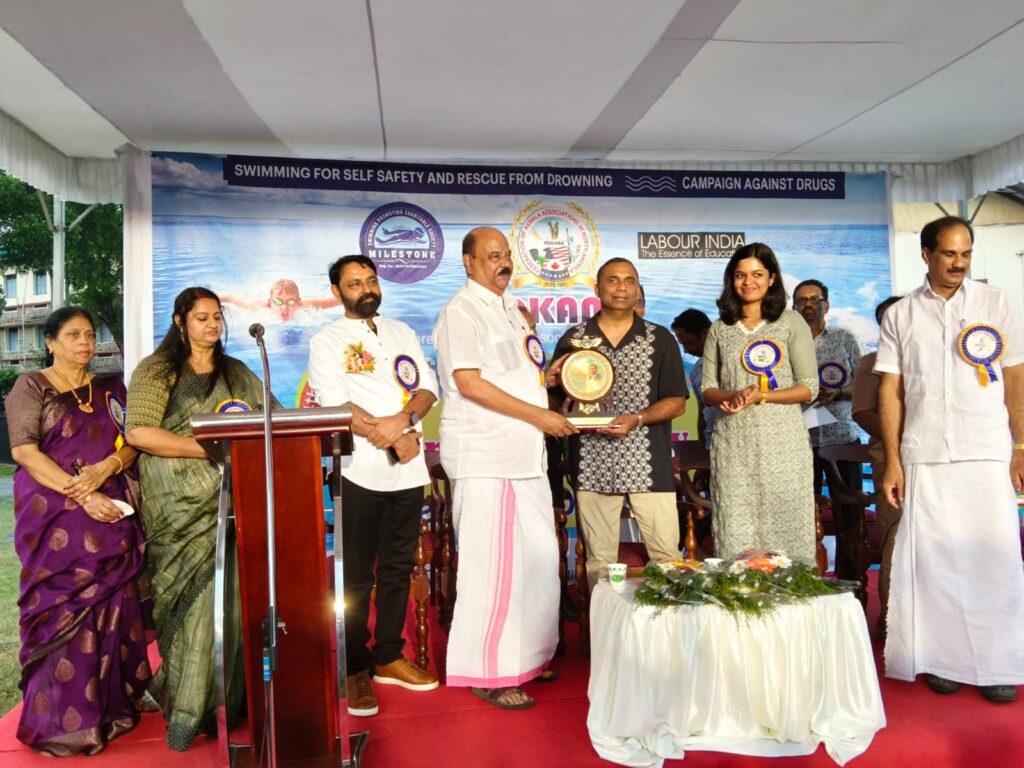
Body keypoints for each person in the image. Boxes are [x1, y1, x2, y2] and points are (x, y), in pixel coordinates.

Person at [876, 215, 1024, 703]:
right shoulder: (901, 314)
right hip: (925, 452)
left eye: (966, 254)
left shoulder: (997, 303)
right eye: (949, 254)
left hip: (987, 450)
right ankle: (943, 659)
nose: (959, 263)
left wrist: (1021, 446)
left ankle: (999, 664)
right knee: (936, 563)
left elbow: (1016, 378)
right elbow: (891, 390)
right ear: (926, 254)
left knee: (995, 557)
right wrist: (893, 459)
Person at [433, 226, 575, 710]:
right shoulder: (461, 310)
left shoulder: (513, 310)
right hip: (486, 455)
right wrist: (539, 414)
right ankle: (488, 671)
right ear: (468, 262)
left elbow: (514, 376)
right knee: (490, 569)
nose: (504, 263)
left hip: (525, 455)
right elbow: (469, 384)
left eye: (507, 255)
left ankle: (527, 657)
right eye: (492, 256)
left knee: (537, 560)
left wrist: (548, 380)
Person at [125, 287, 271, 749]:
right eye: (201, 317)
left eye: (216, 317)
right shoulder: (158, 370)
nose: (211, 325)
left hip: (232, 498)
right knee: (191, 607)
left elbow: (272, 418)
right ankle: (189, 711)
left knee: (228, 602)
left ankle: (223, 698)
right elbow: (139, 432)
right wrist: (208, 449)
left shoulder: (237, 372)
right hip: (176, 503)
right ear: (180, 321)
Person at [4, 307, 150, 755]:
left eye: (89, 334)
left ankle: (113, 706)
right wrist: (83, 495)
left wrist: (108, 467)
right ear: (50, 341)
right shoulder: (32, 386)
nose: (84, 342)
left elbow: (132, 442)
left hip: (112, 504)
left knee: (115, 601)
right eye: (72, 335)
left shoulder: (111, 387)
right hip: (54, 511)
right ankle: (62, 721)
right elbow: (24, 452)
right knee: (64, 607)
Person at [307, 254, 439, 718]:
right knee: (357, 576)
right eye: (354, 283)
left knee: (399, 568)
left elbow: (427, 389)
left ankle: (388, 657)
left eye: (370, 280)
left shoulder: (402, 332)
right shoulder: (327, 340)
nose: (366, 289)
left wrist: (403, 423)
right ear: (337, 292)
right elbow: (335, 404)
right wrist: (388, 435)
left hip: (409, 470)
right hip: (359, 470)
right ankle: (355, 667)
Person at [553, 258, 687, 589]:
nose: (621, 287)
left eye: (629, 280)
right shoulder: (575, 339)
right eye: (613, 280)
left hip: (649, 464)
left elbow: (676, 401)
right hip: (593, 464)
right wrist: (555, 393)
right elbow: (554, 403)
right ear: (597, 289)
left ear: (638, 289)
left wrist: (638, 418)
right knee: (600, 564)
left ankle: (666, 622)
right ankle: (605, 624)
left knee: (667, 559)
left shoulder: (660, 339)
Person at [701, 243, 819, 563]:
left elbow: (809, 388)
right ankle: (739, 590)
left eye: (757, 274)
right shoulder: (720, 328)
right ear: (731, 279)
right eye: (740, 275)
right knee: (736, 529)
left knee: (786, 530)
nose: (748, 282)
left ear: (772, 278)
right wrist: (731, 396)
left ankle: (792, 589)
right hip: (733, 444)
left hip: (783, 442)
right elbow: (708, 388)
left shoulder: (791, 322)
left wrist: (761, 396)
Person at [793, 278, 864, 576]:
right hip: (800, 440)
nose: (808, 304)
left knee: (850, 513)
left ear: (827, 305)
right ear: (794, 307)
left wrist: (839, 392)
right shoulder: (786, 343)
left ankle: (851, 580)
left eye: (814, 299)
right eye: (801, 300)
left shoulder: (844, 338)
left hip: (843, 437)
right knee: (801, 514)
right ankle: (805, 577)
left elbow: (864, 383)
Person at [850, 295, 901, 637]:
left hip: (936, 461)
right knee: (897, 540)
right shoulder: (872, 363)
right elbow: (862, 413)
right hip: (892, 462)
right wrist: (901, 439)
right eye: (888, 320)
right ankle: (891, 621)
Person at [671, 308, 715, 449]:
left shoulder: (734, 365)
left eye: (688, 343)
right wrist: (702, 450)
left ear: (705, 334)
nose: (686, 350)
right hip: (711, 445)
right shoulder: (696, 372)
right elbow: (702, 415)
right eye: (682, 345)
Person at [221, 278, 339, 321]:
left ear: (298, 303)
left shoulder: (305, 307)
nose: (284, 308)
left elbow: (334, 301)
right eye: (278, 302)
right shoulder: (261, 308)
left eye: (291, 302)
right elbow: (231, 298)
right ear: (270, 302)